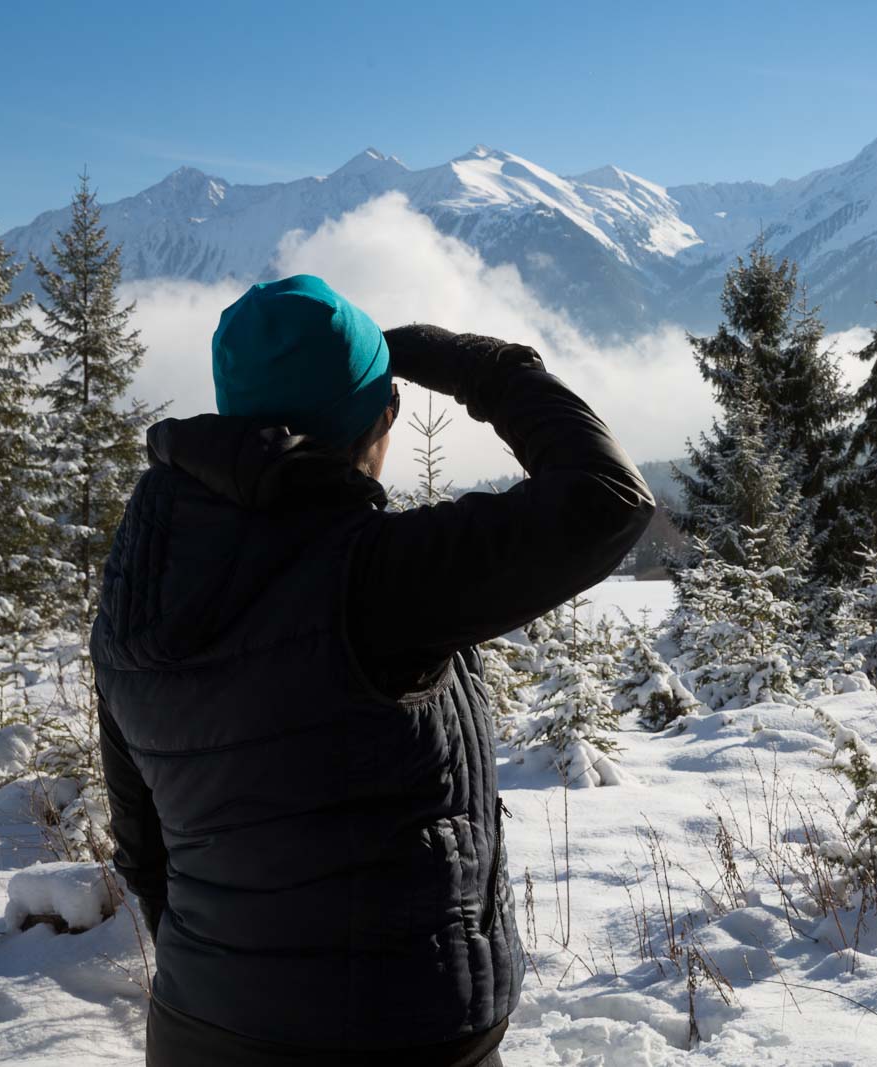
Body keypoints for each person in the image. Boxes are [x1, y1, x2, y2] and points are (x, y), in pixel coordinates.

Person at [90, 275, 655, 1066]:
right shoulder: (375, 578)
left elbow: (143, 849)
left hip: (198, 1028)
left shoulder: (138, 583)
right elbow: (608, 498)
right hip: (392, 1038)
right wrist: (483, 365)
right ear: (378, 420)